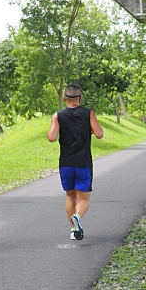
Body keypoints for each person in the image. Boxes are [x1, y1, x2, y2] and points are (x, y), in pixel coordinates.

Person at [47, 84, 104, 241]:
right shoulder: (88, 113)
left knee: (70, 196)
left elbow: (51, 137)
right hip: (83, 162)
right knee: (84, 199)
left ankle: (73, 230)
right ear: (80, 98)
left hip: (66, 162)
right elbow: (99, 134)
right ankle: (77, 217)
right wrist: (89, 129)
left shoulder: (58, 115)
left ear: (64, 98)